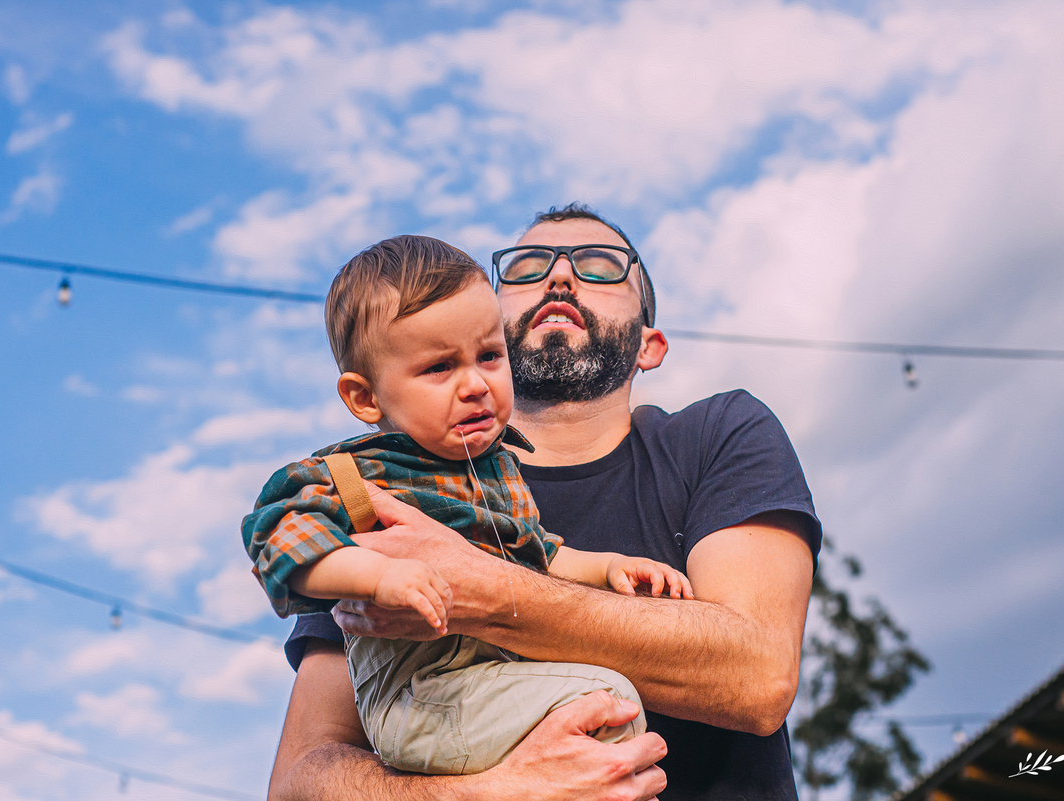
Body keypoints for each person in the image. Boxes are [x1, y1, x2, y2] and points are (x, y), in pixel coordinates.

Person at [269, 204, 822, 801]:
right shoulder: (388, 489)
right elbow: (300, 780)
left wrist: (477, 589)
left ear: (649, 344)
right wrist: (497, 793)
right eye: (527, 267)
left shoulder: (719, 434)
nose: (559, 276)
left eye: (601, 265)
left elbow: (757, 674)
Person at [243, 234, 693, 775]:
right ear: (365, 398)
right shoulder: (353, 477)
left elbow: (541, 556)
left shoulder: (498, 472)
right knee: (604, 698)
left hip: (485, 682)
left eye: (488, 356)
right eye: (439, 368)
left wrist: (610, 567)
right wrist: (379, 578)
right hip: (419, 697)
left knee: (602, 704)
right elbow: (283, 541)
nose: (475, 384)